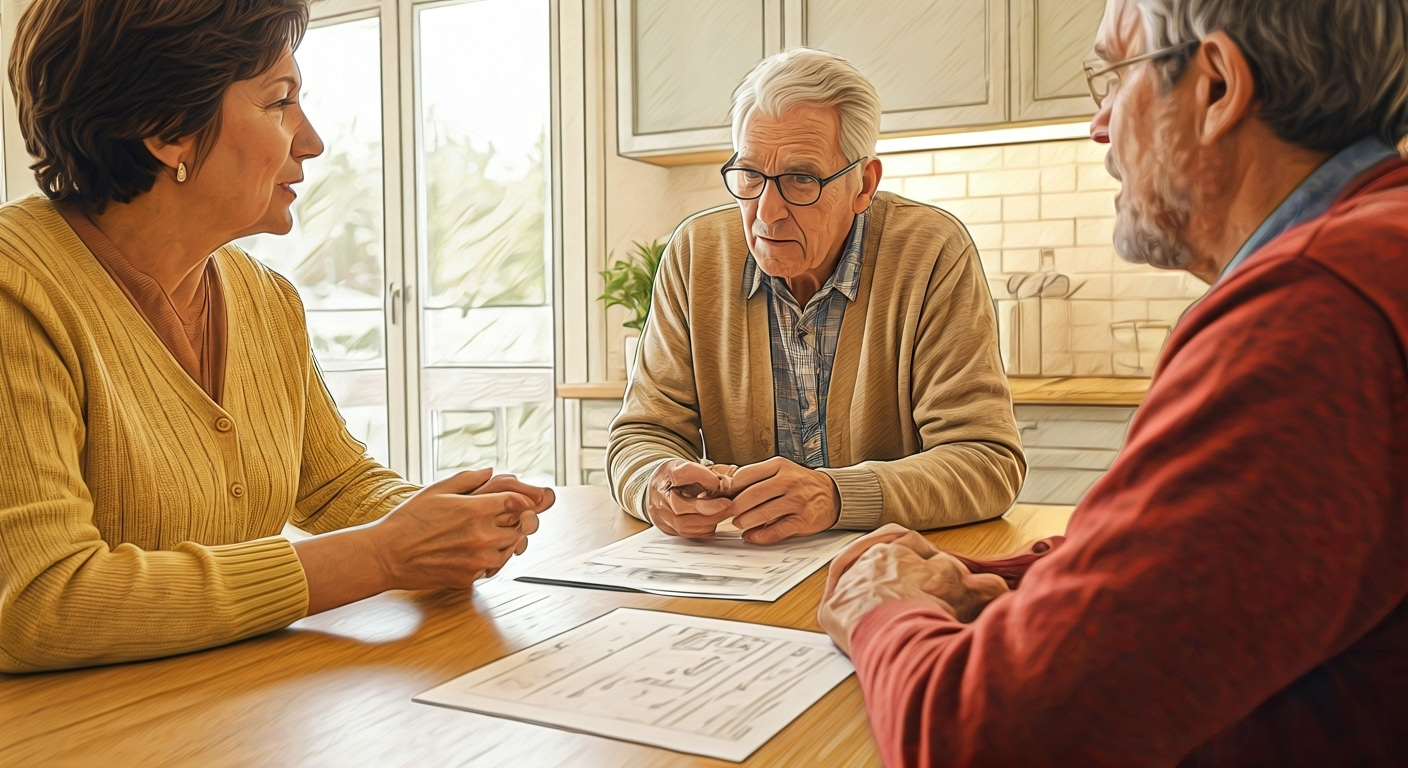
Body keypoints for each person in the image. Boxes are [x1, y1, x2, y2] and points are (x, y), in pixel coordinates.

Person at [817, 0, 1408, 763]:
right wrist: (985, 576)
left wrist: (883, 607)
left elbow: (981, 740)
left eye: (1114, 74)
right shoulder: (1367, 257)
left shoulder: (1314, 314)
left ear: (1218, 88)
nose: (1097, 125)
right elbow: (1194, 568)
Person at [0, 0, 552, 674]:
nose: (311, 140)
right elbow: (41, 602)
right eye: (279, 103)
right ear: (166, 127)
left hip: (236, 714)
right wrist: (381, 554)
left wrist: (443, 520)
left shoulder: (265, 298)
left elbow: (332, 484)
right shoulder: (16, 289)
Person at [607, 48, 1025, 545]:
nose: (767, 211)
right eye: (750, 175)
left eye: (801, 179)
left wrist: (836, 496)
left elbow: (986, 461)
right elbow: (640, 436)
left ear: (863, 185)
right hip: (744, 577)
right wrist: (652, 484)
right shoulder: (695, 254)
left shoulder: (930, 250)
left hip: (890, 572)